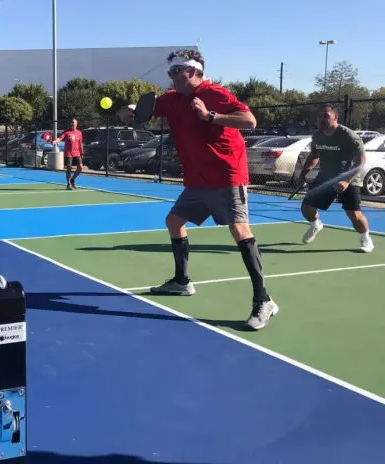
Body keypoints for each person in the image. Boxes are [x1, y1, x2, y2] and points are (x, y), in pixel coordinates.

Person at [117, 49, 278, 331]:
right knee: (174, 222)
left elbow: (250, 120)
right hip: (197, 179)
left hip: (226, 175)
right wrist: (129, 110)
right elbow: (147, 108)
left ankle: (263, 300)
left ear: (191, 71)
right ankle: (182, 281)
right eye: (169, 72)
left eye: (175, 72)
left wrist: (210, 116)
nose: (171, 77)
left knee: (239, 230)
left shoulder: (215, 93)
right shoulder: (173, 99)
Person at [296, 104, 374, 252]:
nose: (322, 119)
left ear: (335, 118)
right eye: (320, 117)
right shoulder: (318, 136)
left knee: (354, 214)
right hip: (325, 177)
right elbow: (314, 155)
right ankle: (316, 224)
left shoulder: (349, 136)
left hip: (349, 177)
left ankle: (365, 238)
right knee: (306, 208)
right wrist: (303, 174)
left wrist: (346, 180)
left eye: (326, 116)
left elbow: (361, 161)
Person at [53, 118, 84, 189]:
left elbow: (80, 144)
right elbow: (60, 138)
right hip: (69, 153)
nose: (71, 124)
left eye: (73, 122)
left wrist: (82, 153)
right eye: (71, 122)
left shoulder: (79, 133)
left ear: (76, 124)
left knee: (80, 168)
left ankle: (72, 180)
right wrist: (55, 142)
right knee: (69, 168)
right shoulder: (66, 132)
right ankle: (68, 184)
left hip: (77, 153)